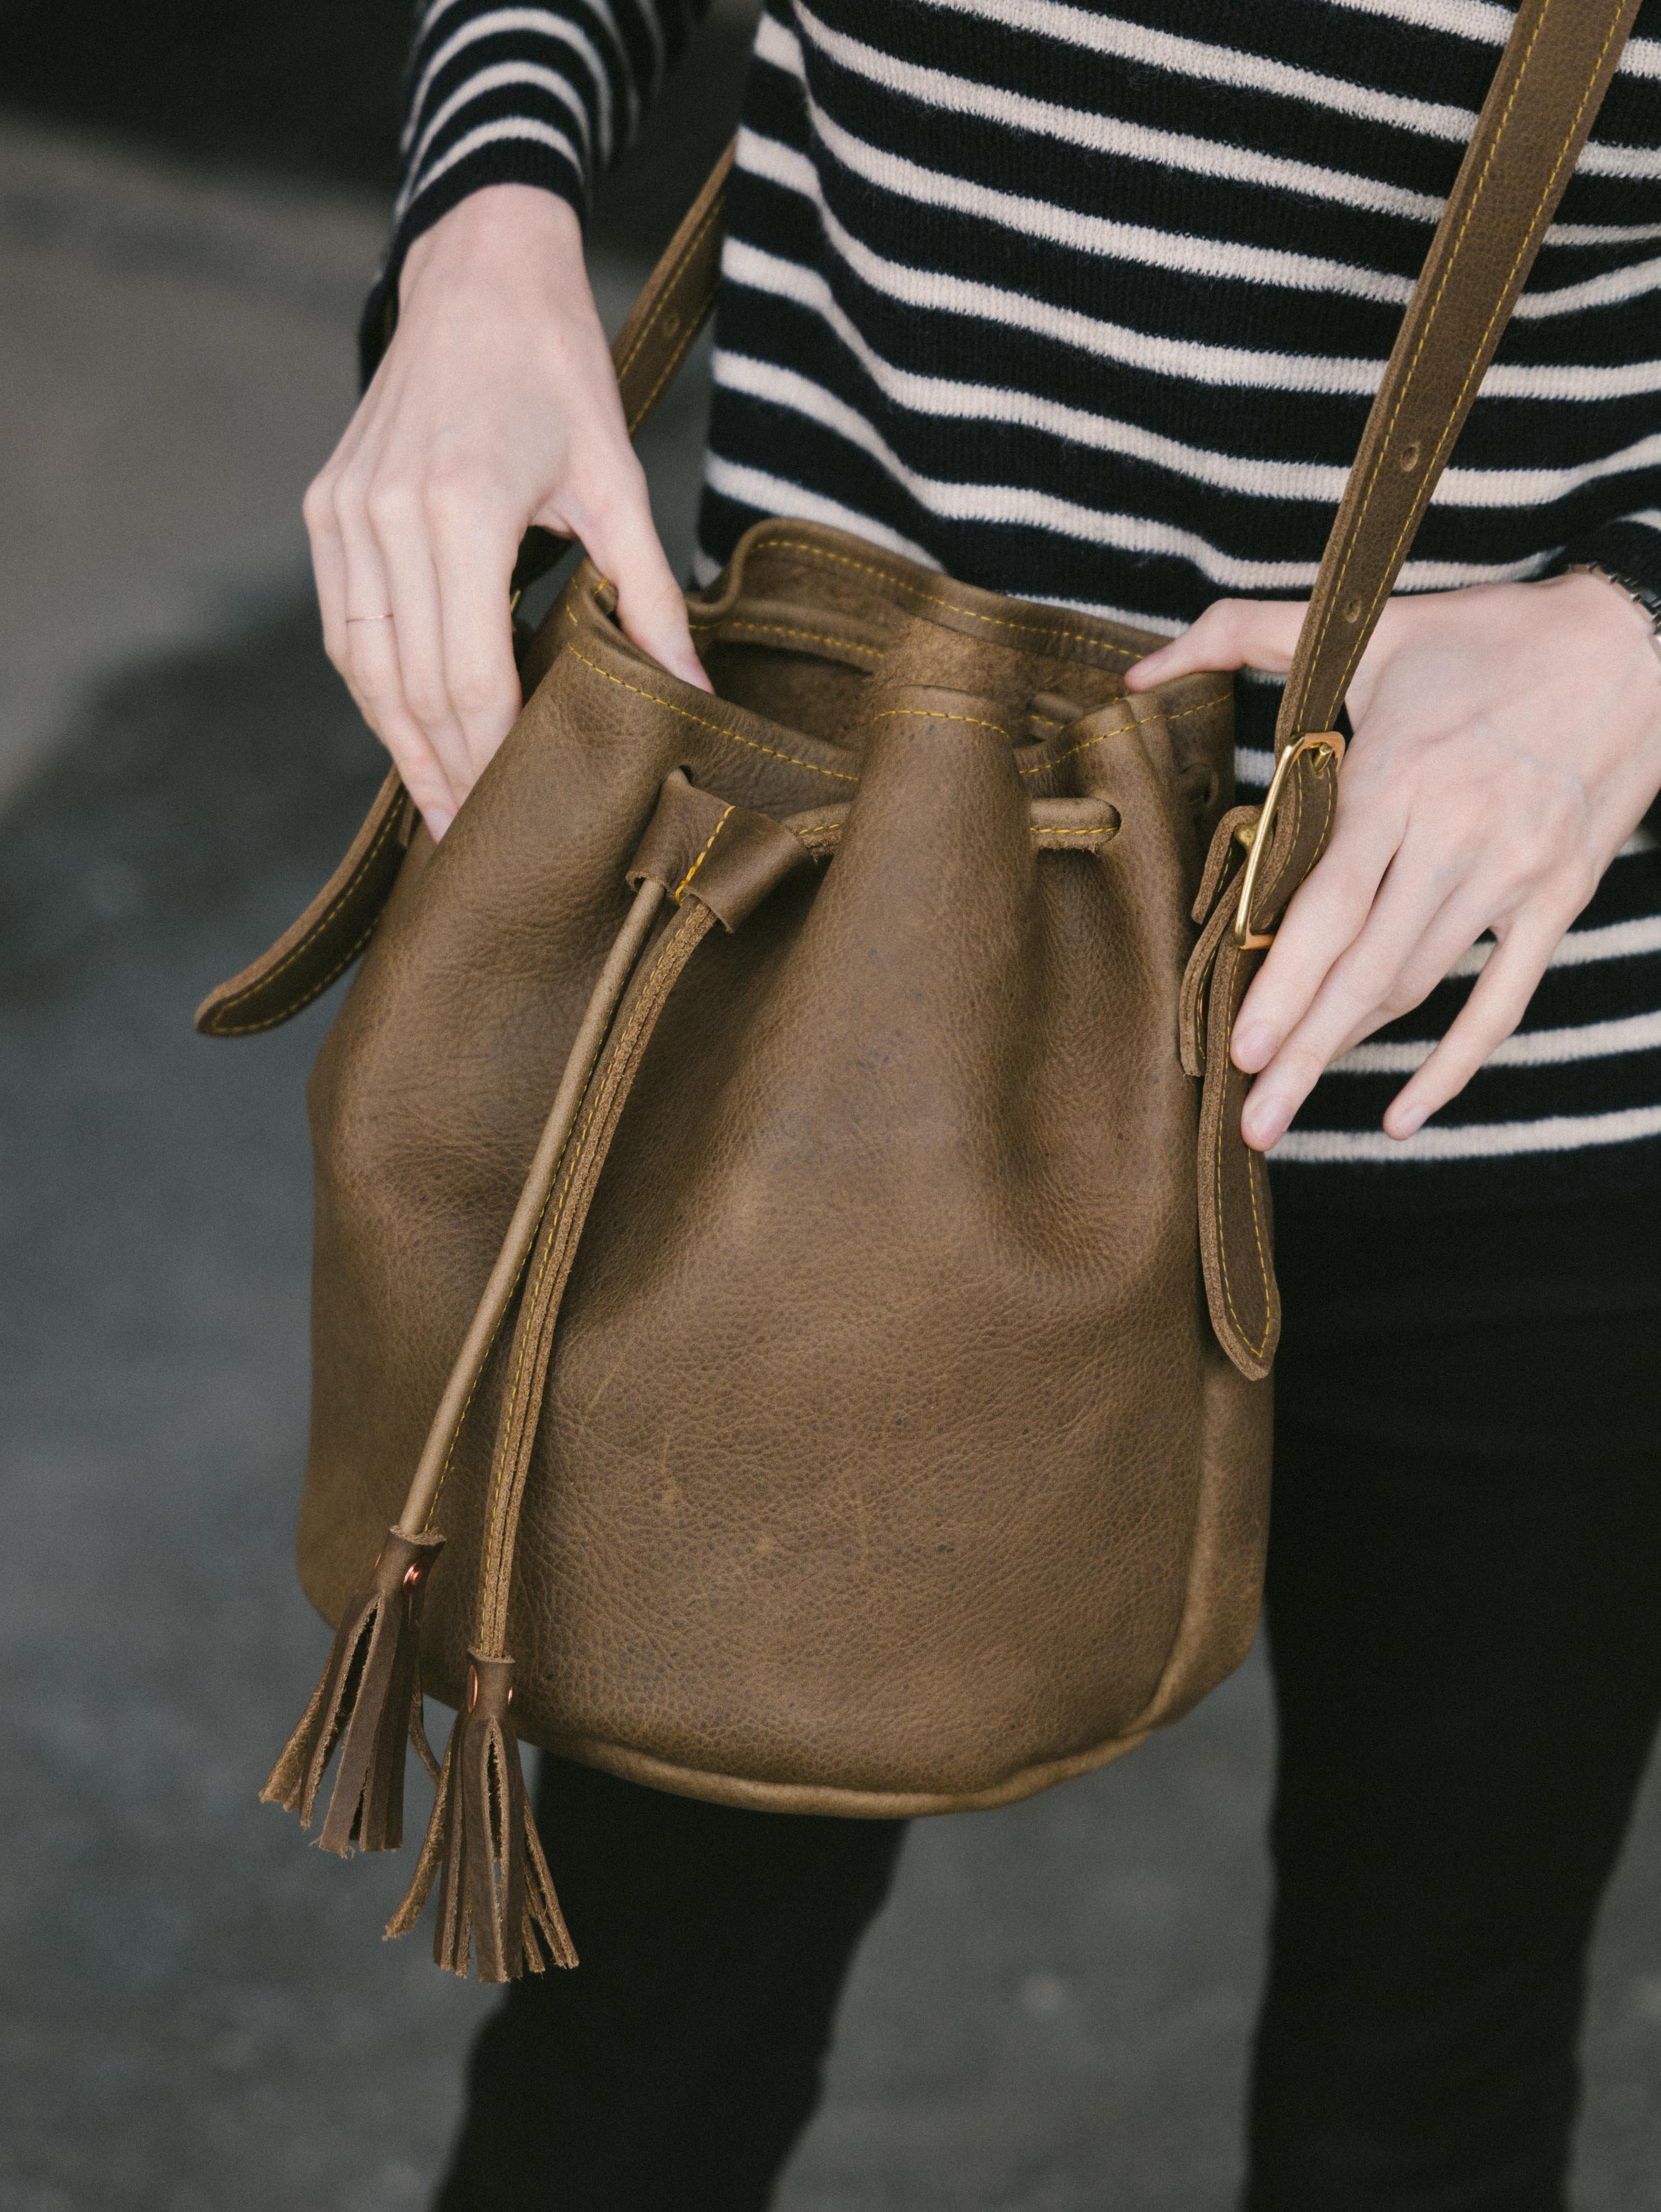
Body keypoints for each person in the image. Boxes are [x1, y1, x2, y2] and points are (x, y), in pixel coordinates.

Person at [304, 3, 1661, 2204]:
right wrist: (486, 225)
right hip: (835, 996)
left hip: (1518, 1050)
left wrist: (1637, 629)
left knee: (1421, 2093)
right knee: (636, 2051)